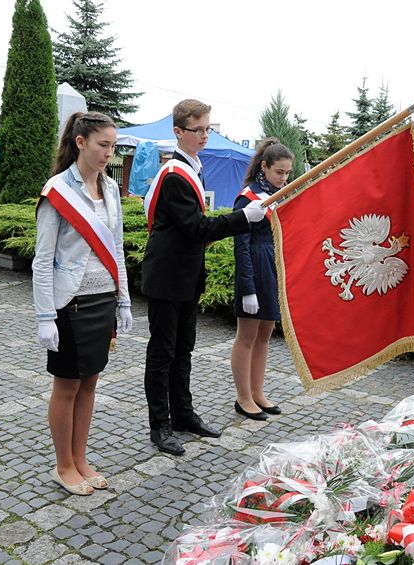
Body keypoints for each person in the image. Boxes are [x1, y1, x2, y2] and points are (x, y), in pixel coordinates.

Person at [142, 99, 265, 455]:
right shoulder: (175, 176)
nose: (205, 135)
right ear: (178, 132)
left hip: (186, 276)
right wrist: (243, 218)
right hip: (167, 278)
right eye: (198, 130)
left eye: (208, 128)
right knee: (162, 354)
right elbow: (196, 228)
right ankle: (160, 425)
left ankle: (183, 415)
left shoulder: (192, 168)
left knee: (184, 350)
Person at [32, 112, 133, 496]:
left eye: (113, 146)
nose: (110, 153)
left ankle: (80, 458)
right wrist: (45, 316)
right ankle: (63, 465)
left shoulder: (110, 190)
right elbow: (43, 259)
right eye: (102, 145)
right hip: (69, 304)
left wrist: (122, 300)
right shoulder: (57, 190)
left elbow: (117, 249)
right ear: (80, 143)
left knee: (90, 381)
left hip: (102, 299)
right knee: (68, 385)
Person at [230, 139, 293, 421]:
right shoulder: (247, 198)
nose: (284, 178)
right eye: (279, 172)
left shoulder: (279, 195)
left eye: (287, 173)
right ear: (264, 166)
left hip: (272, 268)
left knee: (265, 337)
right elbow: (240, 246)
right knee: (246, 337)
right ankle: (243, 397)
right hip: (254, 268)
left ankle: (258, 392)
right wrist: (247, 289)